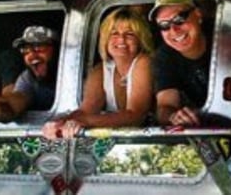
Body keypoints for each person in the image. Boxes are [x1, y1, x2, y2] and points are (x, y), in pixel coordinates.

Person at [42, 7, 153, 139]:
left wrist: (85, 122)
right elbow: (86, 110)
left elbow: (136, 116)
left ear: (141, 40)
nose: (121, 40)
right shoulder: (100, 70)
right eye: (114, 33)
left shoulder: (144, 62)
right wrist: (61, 122)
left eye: (129, 34)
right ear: (105, 39)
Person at [150, 0, 211, 127]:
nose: (173, 30)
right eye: (164, 25)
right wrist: (174, 117)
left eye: (179, 19)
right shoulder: (163, 58)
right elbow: (165, 106)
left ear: (198, 15)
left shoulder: (225, 38)